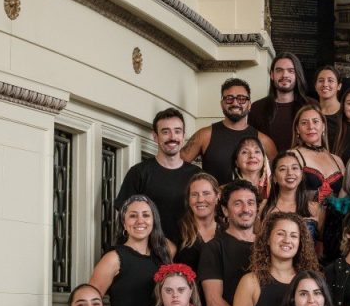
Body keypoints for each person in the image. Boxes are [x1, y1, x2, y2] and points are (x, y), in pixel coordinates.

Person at [90, 196, 173, 306]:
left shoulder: (163, 257)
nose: (140, 221)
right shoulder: (113, 258)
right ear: (124, 223)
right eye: (133, 215)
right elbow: (89, 301)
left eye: (146, 215)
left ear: (154, 221)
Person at [115, 108, 201, 245]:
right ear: (155, 136)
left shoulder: (197, 175)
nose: (172, 137)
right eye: (165, 132)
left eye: (177, 131)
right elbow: (125, 214)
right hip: (149, 252)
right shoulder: (139, 172)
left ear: (184, 135)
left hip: (189, 250)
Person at [181, 77, 276, 184]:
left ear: (249, 105)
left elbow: (276, 179)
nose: (235, 103)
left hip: (252, 200)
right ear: (222, 104)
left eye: (241, 99)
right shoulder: (204, 135)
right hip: (212, 200)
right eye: (229, 98)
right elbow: (176, 166)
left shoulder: (264, 141)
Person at [248, 53, 310, 153]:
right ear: (272, 75)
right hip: (268, 167)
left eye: (290, 71)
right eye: (279, 70)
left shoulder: (310, 106)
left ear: (297, 74)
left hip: (304, 167)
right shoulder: (257, 108)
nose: (285, 75)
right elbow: (251, 145)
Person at [259, 151, 321, 239]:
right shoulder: (264, 207)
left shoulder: (314, 208)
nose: (290, 173)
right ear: (274, 178)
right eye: (283, 169)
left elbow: (320, 245)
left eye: (294, 168)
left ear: (302, 174)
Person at [291, 104, 344, 203]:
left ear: (323, 126)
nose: (311, 127)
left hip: (337, 217)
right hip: (303, 216)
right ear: (297, 129)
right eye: (304, 123)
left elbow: (345, 197)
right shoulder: (292, 156)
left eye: (315, 121)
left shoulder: (337, 160)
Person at [175, 173, 220, 276]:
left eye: (206, 193)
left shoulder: (226, 231)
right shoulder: (177, 230)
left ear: (217, 196)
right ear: (188, 199)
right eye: (194, 195)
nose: (200, 200)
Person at [233, 135, 271, 200]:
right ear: (236, 162)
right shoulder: (225, 191)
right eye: (245, 152)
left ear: (264, 160)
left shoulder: (276, 189)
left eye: (257, 151)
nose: (252, 156)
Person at [313, 65, 343, 146]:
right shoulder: (310, 113)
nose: (325, 84)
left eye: (330, 80)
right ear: (315, 86)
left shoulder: (346, 113)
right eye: (321, 80)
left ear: (339, 86)